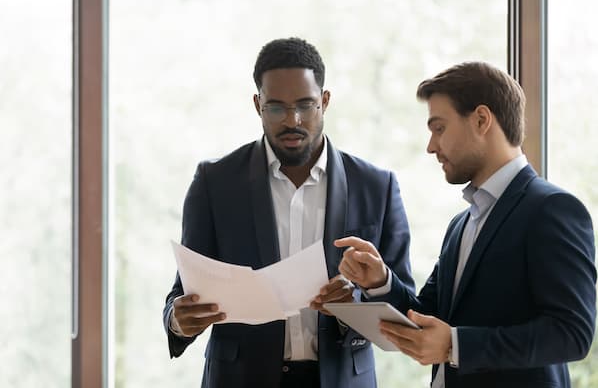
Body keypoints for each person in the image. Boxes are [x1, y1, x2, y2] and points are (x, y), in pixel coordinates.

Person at [162, 37, 415, 388]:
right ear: (257, 104)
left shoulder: (377, 186)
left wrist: (355, 300)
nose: (292, 121)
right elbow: (182, 295)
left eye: (306, 105)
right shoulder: (214, 183)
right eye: (277, 108)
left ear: (325, 102)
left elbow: (405, 310)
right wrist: (178, 320)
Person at [336, 61, 596, 388]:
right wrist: (380, 280)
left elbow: (572, 334)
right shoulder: (461, 224)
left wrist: (455, 345)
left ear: (481, 120)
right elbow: (425, 316)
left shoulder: (553, 209)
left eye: (439, 128)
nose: (431, 146)